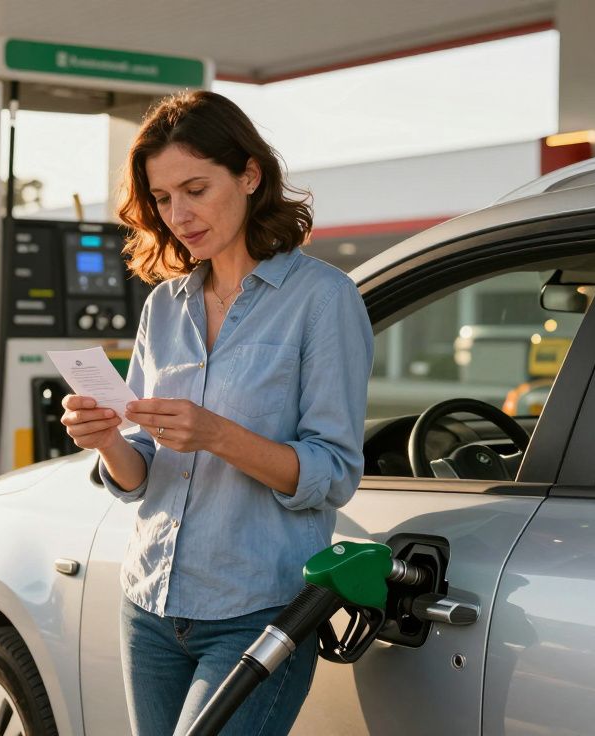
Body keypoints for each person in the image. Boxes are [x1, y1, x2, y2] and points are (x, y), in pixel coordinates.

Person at [60, 90, 373, 735]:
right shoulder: (164, 307)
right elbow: (140, 472)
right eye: (163, 199)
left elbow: (333, 473)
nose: (179, 214)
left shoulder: (322, 299)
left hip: (257, 614)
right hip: (149, 605)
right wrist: (107, 443)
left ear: (250, 175)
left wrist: (218, 435)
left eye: (196, 189)